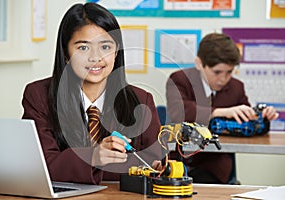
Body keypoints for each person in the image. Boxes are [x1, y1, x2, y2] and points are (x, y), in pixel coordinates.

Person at [22, 2, 162, 185]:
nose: (95, 58)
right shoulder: (39, 96)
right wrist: (93, 156)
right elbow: (41, 166)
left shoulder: (141, 100)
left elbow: (153, 166)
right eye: (83, 48)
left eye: (105, 47)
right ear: (65, 53)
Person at [166, 32, 279, 184]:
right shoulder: (180, 80)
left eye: (229, 72)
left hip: (214, 166)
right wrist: (218, 112)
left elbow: (249, 121)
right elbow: (178, 112)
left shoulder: (236, 87)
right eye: (217, 72)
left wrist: (262, 117)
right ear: (199, 63)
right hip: (179, 162)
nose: (223, 79)